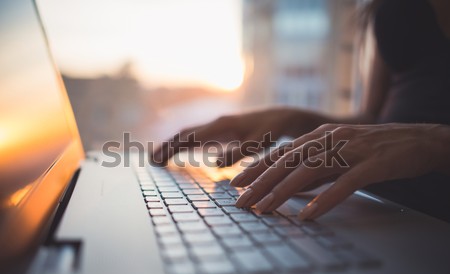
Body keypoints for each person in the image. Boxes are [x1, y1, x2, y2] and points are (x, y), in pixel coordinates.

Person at [152, 0, 450, 221]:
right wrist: (293, 119)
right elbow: (374, 121)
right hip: (373, 206)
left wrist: (436, 142)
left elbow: (409, 135)